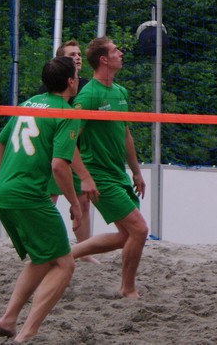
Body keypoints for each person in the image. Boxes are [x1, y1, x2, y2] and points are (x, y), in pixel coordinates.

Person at [0, 56, 84, 342]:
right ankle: (27, 333)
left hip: (3, 191)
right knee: (65, 264)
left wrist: (10, 177)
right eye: (77, 75)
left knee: (44, 259)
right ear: (71, 82)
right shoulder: (67, 112)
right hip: (28, 195)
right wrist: (75, 204)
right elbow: (59, 166)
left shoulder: (29, 103)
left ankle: (8, 319)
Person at [69, 36, 149, 298]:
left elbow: (125, 135)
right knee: (139, 229)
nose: (121, 53)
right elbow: (68, 141)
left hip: (118, 173)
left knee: (127, 235)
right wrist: (85, 177)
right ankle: (128, 288)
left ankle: (65, 255)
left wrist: (136, 171)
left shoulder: (120, 92)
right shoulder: (88, 95)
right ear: (103, 59)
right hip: (99, 175)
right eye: (115, 51)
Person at [42, 39, 98, 257]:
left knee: (83, 202)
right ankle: (46, 248)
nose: (77, 57)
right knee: (49, 201)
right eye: (71, 55)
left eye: (79, 54)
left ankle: (84, 253)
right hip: (55, 153)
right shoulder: (49, 90)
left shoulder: (87, 87)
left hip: (77, 153)